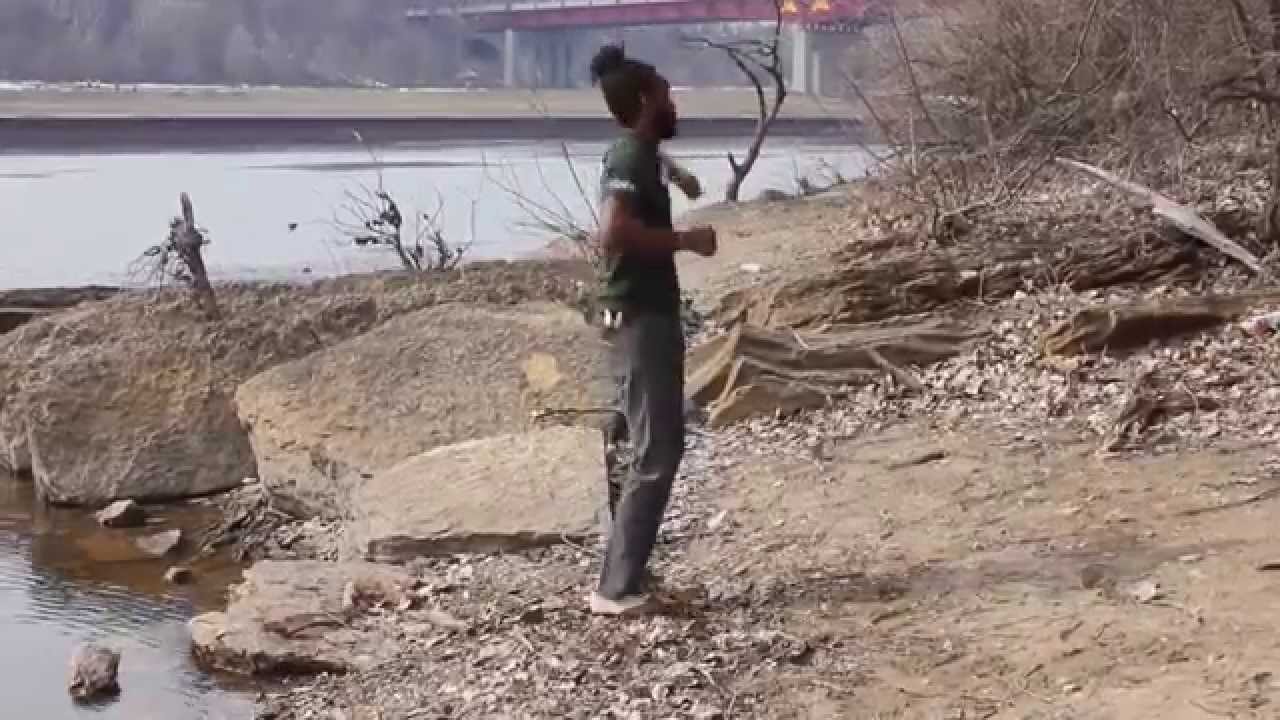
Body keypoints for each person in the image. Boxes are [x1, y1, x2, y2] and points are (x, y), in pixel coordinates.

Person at [588, 43, 718, 616]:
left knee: (650, 444)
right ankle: (616, 590)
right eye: (666, 94)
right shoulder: (627, 156)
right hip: (639, 315)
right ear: (646, 101)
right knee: (657, 448)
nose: (674, 102)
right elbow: (612, 232)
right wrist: (688, 240)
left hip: (644, 313)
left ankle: (623, 577)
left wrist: (676, 174)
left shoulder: (640, 153)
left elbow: (642, 167)